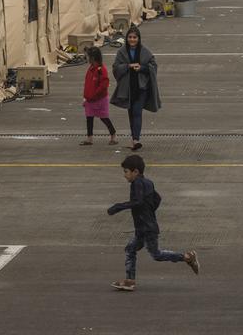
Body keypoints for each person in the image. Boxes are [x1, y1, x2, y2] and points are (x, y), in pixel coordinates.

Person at [107, 155, 200, 291]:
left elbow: (137, 201)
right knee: (131, 249)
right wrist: (148, 212)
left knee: (156, 254)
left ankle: (187, 257)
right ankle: (129, 280)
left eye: (126, 171)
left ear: (136, 172)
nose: (124, 175)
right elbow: (157, 198)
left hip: (146, 228)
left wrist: (118, 207)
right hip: (145, 226)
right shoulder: (148, 182)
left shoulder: (137, 183)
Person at [111, 26, 160, 151]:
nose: (132, 40)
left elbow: (153, 66)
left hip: (141, 88)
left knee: (137, 112)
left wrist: (142, 68)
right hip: (128, 88)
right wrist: (128, 66)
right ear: (127, 38)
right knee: (131, 113)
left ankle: (136, 139)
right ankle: (134, 138)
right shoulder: (122, 52)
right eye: (130, 37)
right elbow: (116, 68)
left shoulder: (145, 51)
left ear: (139, 39)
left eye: (135, 37)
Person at [80, 46, 118, 146]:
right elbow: (88, 84)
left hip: (100, 99)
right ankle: (89, 138)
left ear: (93, 58)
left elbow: (104, 85)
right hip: (90, 99)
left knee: (104, 117)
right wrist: (86, 96)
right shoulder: (91, 69)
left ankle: (113, 135)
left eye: (88, 56)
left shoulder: (101, 70)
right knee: (89, 118)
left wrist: (95, 94)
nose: (86, 58)